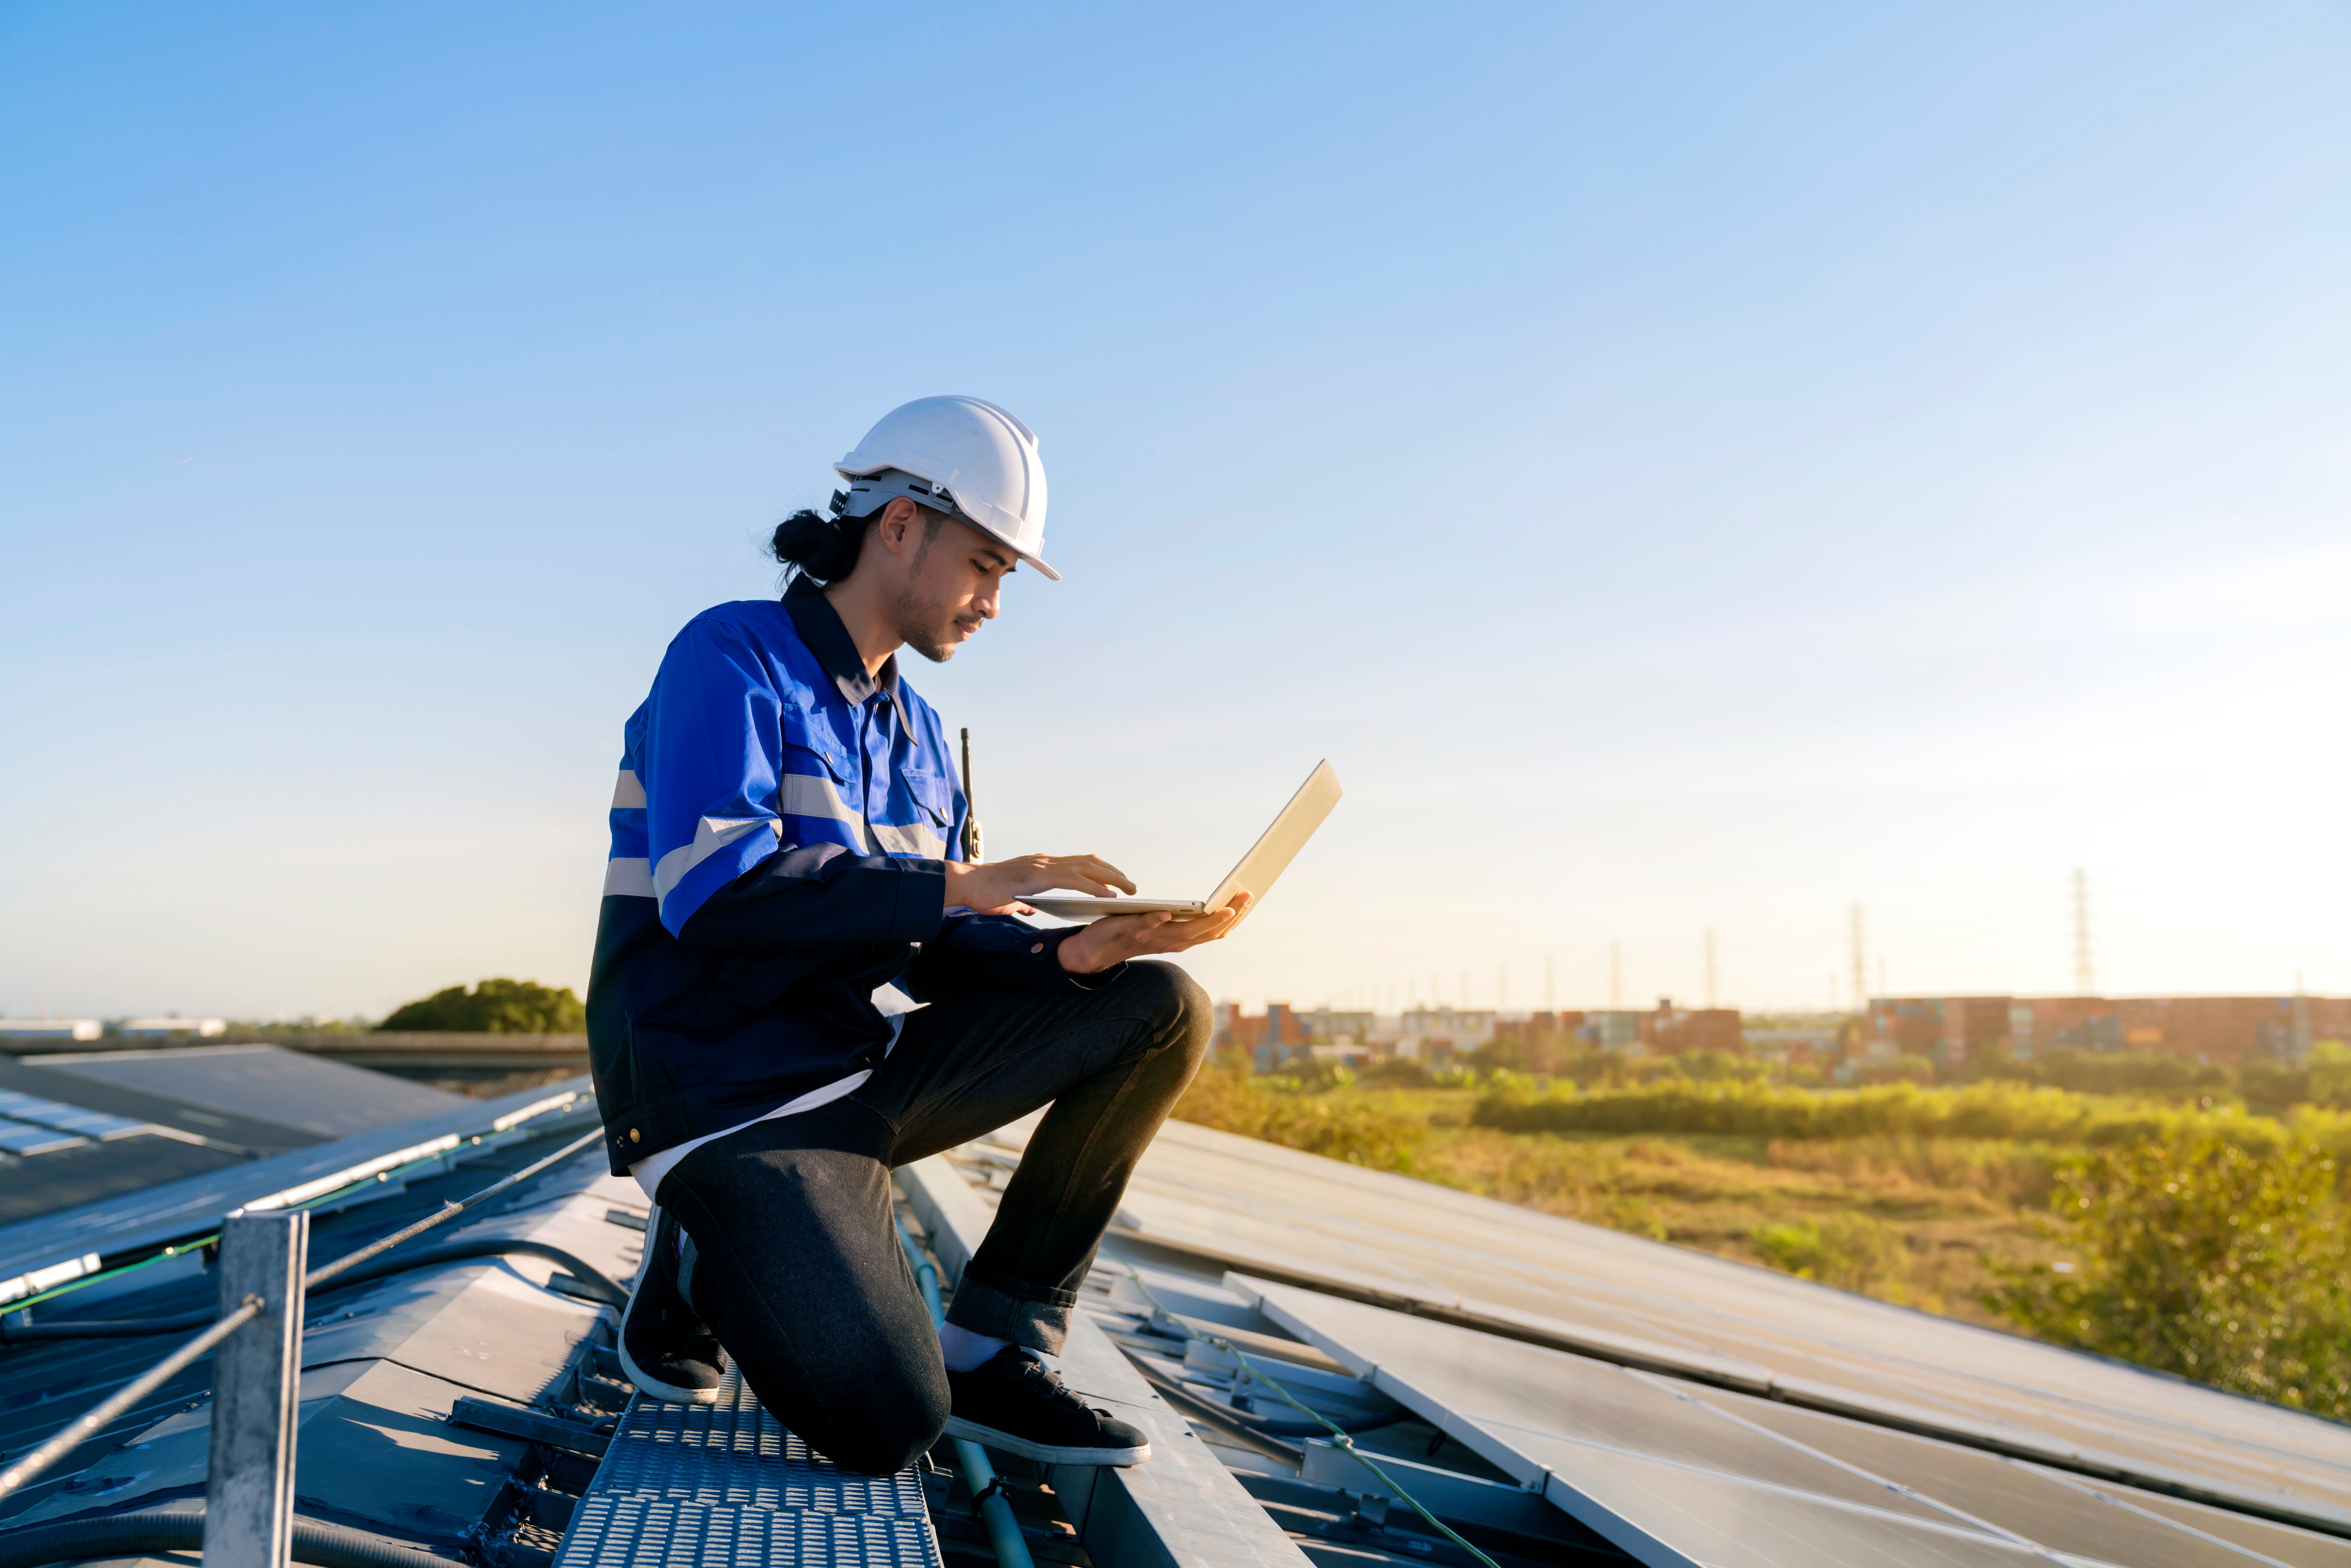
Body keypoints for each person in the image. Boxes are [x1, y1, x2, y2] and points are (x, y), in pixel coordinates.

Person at [586, 396, 1245, 1476]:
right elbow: (713, 892)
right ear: (899, 526)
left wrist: (1069, 953)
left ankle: (993, 1347)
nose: (994, 601)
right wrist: (960, 883)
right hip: (721, 1099)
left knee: (1160, 1008)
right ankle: (705, 1238)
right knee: (887, 1424)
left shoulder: (926, 735)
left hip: (856, 1071)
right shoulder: (729, 655)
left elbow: (934, 945)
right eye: (987, 565)